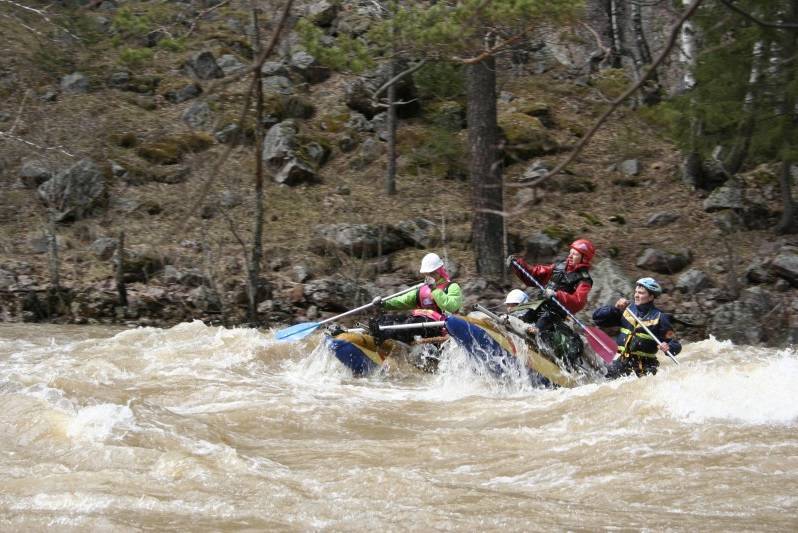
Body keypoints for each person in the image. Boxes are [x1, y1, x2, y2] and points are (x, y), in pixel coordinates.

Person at [505, 238, 596, 366]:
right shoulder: (558, 267)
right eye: (570, 252)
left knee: (547, 316)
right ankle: (511, 329)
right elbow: (535, 274)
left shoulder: (584, 280)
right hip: (540, 304)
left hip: (557, 311)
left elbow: (578, 301)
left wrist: (557, 295)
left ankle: (535, 332)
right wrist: (519, 265)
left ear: (584, 258)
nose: (570, 255)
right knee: (528, 314)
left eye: (574, 254)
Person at [592, 277, 682, 378]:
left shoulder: (660, 318)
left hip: (644, 367)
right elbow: (597, 318)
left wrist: (669, 347)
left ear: (651, 297)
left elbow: (676, 345)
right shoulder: (626, 310)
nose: (636, 295)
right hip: (621, 362)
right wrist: (615, 308)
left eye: (641, 293)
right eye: (636, 292)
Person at [369, 252, 463, 345]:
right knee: (387, 320)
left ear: (440, 271)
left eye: (433, 273)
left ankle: (387, 336)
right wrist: (384, 303)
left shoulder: (452, 287)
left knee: (409, 324)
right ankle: (378, 334)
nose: (430, 276)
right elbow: (403, 301)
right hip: (420, 321)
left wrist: (434, 289)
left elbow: (451, 307)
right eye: (428, 274)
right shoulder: (421, 289)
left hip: (440, 326)